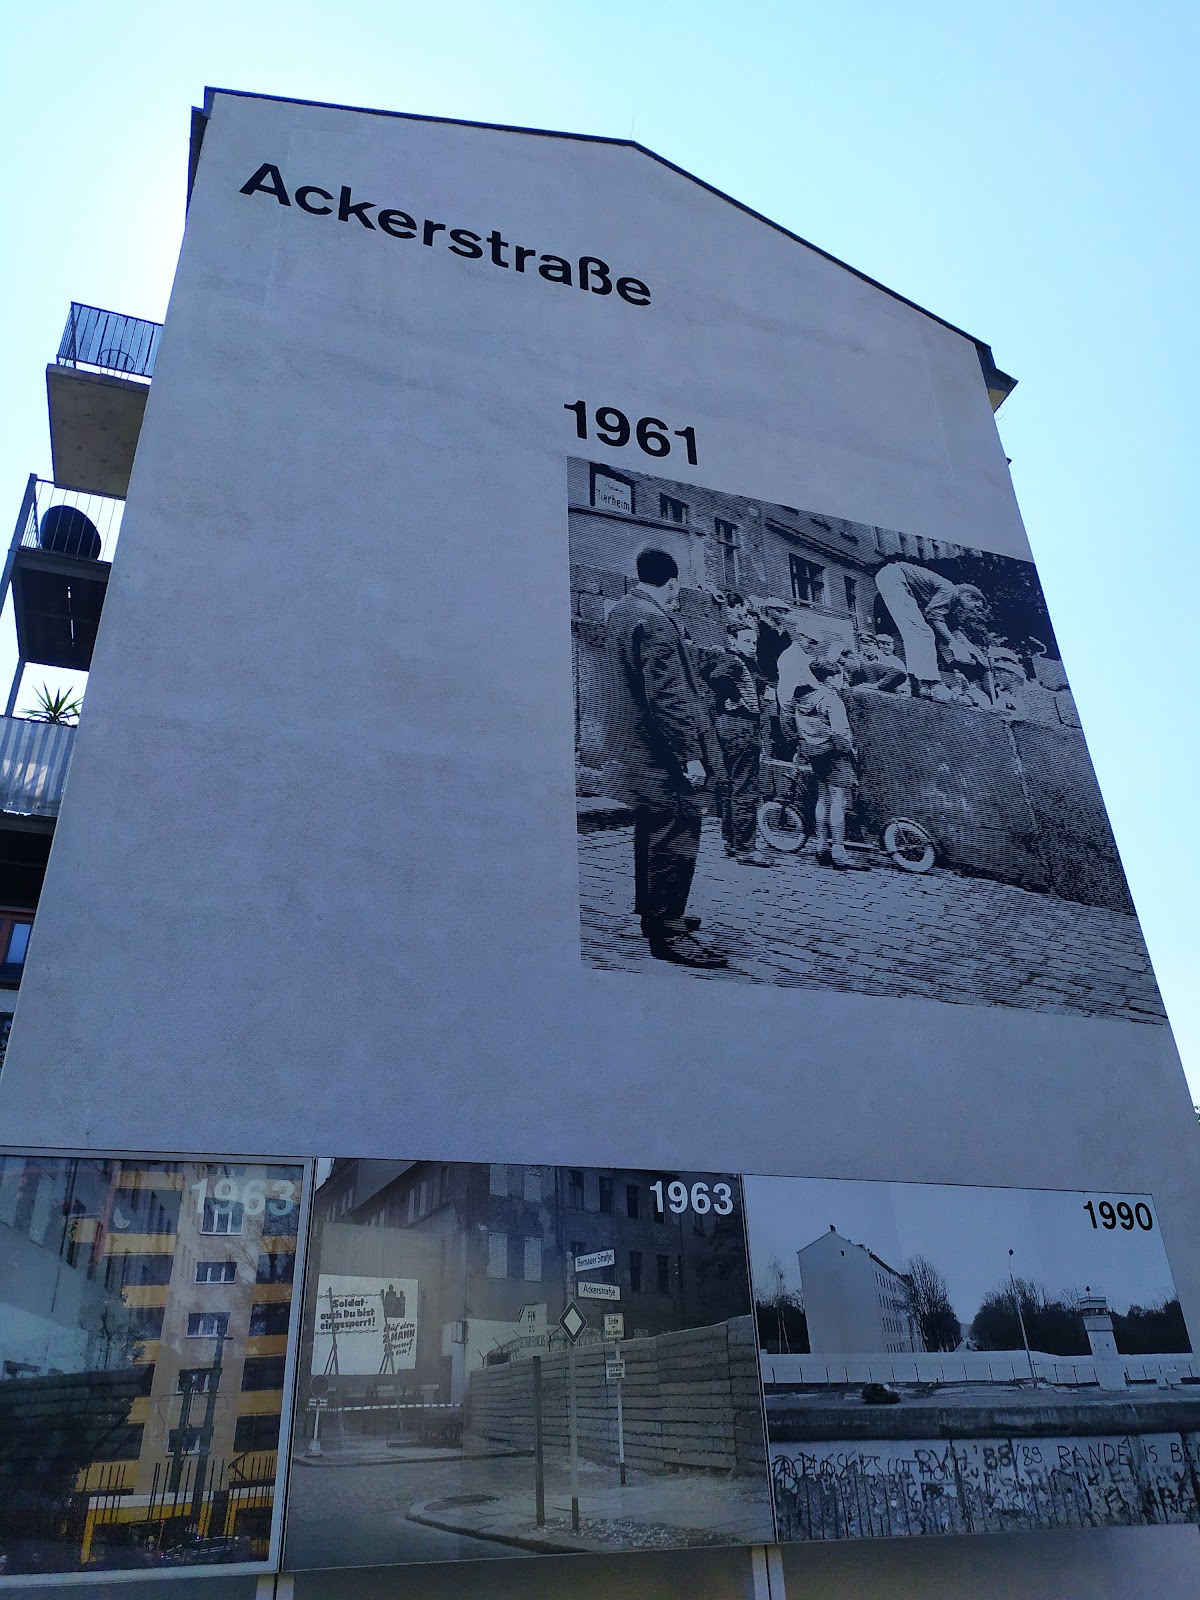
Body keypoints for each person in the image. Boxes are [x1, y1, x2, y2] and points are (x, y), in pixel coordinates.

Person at [601, 548, 727, 968]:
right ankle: (668, 931)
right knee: (677, 832)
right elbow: (669, 697)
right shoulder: (656, 621)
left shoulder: (622, 610)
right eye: (678, 589)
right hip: (662, 751)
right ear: (672, 584)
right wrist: (690, 754)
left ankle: (655, 914)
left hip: (636, 744)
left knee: (653, 831)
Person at [702, 623, 774, 867]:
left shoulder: (734, 659)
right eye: (746, 641)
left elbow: (707, 673)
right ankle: (746, 848)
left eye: (754, 642)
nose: (752, 646)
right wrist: (734, 697)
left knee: (731, 785)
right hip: (741, 727)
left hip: (729, 726)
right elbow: (715, 677)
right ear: (732, 640)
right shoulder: (734, 661)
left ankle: (732, 841)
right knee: (745, 787)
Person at [789, 656, 866, 870]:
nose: (842, 679)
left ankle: (821, 846)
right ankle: (839, 851)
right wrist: (850, 751)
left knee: (822, 799)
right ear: (831, 678)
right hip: (835, 754)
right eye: (840, 676)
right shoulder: (831, 699)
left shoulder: (805, 698)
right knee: (838, 801)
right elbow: (841, 732)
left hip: (815, 753)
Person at [874, 561, 990, 700]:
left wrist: (962, 649)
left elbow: (947, 629)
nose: (973, 611)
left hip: (895, 579)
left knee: (919, 633)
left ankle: (918, 686)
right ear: (967, 597)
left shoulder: (950, 605)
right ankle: (932, 684)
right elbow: (934, 618)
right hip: (895, 577)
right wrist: (954, 644)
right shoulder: (951, 590)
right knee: (923, 633)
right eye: (976, 607)